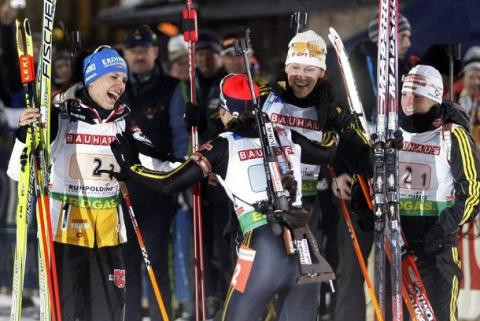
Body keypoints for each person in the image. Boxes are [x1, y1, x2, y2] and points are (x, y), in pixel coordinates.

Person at [110, 73, 336, 321]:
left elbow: (169, 183)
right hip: (304, 246)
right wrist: (336, 123)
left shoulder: (221, 146)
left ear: (225, 110)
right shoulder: (285, 133)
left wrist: (130, 164)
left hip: (264, 246)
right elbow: (326, 153)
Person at [7, 46, 178, 321]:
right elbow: (18, 171)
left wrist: (197, 167)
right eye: (113, 77)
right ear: (92, 79)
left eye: (123, 79)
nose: (121, 85)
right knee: (68, 313)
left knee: (107, 314)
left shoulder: (122, 121)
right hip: (64, 236)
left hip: (108, 236)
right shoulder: (62, 116)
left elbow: (154, 162)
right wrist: (23, 134)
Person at [338, 64, 480, 321]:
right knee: (394, 314)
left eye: (418, 95)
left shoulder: (451, 135)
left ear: (435, 96)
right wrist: (366, 210)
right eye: (405, 94)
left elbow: (473, 189)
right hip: (394, 242)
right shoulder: (390, 133)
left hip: (435, 247)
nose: (409, 102)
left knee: (438, 313)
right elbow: (368, 175)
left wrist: (443, 229)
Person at [259, 29, 368, 321]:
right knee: (261, 281)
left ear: (322, 72)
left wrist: (343, 173)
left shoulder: (331, 106)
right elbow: (231, 124)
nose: (301, 76)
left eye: (309, 69)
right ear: (286, 68)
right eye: (295, 67)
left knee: (303, 281)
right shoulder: (266, 98)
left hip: (307, 206)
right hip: (260, 204)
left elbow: (352, 149)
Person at [121, 24, 179, 321]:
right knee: (125, 263)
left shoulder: (171, 88)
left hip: (157, 189)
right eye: (133, 50)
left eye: (145, 49)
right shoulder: (115, 87)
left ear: (156, 52)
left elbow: (179, 137)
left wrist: (180, 179)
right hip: (121, 189)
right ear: (125, 54)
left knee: (155, 260)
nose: (139, 55)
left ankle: (161, 317)